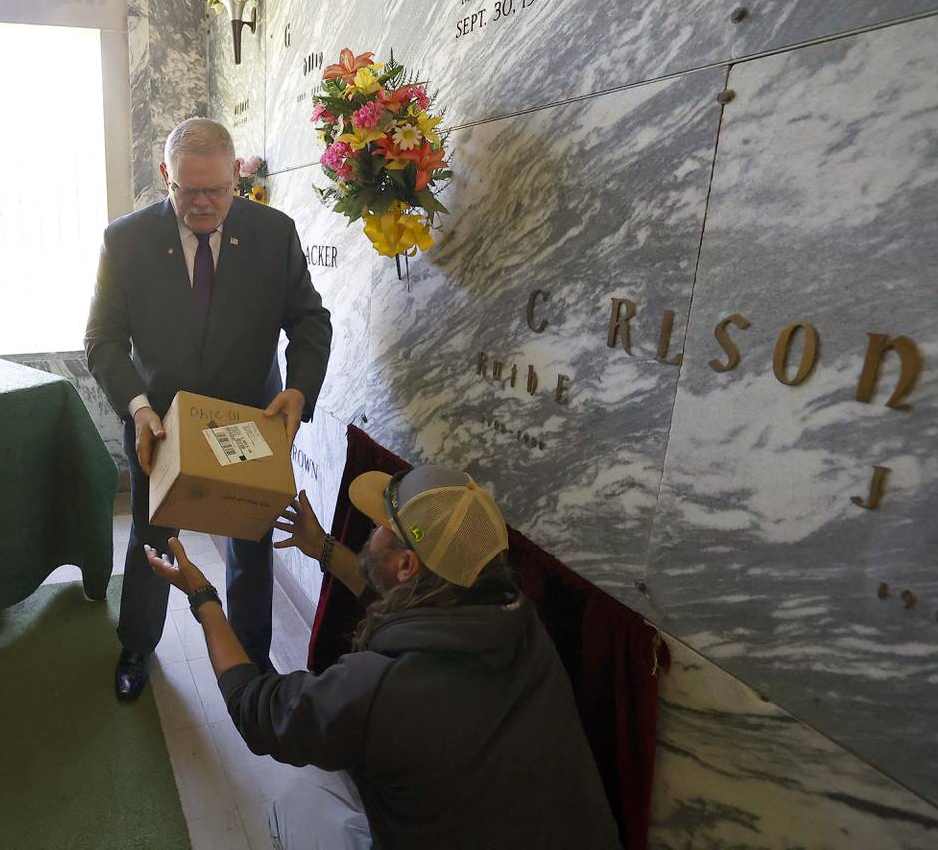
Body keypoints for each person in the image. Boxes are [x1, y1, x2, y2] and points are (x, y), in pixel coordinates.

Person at [145, 466, 621, 850]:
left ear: (406, 565)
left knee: (295, 800)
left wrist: (203, 596)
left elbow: (254, 706)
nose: (370, 532)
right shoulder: (516, 617)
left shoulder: (380, 688)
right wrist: (325, 549)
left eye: (378, 528)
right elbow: (405, 604)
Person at [85, 117, 333, 699]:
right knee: (153, 534)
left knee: (250, 538)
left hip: (249, 418)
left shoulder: (273, 233)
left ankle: (248, 661)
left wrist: (299, 388)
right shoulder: (125, 241)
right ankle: (137, 646)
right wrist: (140, 408)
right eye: (188, 190)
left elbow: (309, 319)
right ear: (165, 175)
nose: (203, 204)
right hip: (160, 421)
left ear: (236, 177)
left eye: (217, 190)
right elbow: (101, 339)